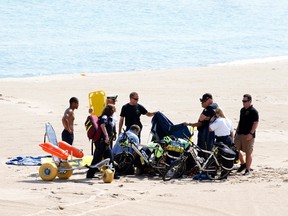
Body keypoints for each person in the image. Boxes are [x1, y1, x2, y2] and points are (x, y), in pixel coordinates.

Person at [86, 104, 119, 179]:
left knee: (109, 157)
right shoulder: (104, 117)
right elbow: (102, 126)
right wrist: (106, 136)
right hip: (101, 141)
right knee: (98, 158)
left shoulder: (109, 117)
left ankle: (113, 173)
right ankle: (90, 174)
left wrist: (113, 134)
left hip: (105, 142)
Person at [185, 93, 218, 158]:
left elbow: (200, 121)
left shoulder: (209, 108)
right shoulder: (215, 106)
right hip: (210, 133)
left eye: (202, 101)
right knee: (208, 149)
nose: (201, 103)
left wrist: (189, 124)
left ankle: (205, 163)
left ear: (208, 100)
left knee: (203, 149)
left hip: (206, 134)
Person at [234, 94, 259, 176]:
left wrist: (251, 133)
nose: (243, 103)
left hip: (248, 135)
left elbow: (255, 123)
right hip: (239, 134)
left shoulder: (253, 111)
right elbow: (240, 121)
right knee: (235, 150)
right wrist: (236, 131)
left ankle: (247, 169)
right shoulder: (242, 110)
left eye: (245, 101)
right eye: (243, 101)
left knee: (248, 153)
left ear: (250, 101)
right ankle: (243, 164)